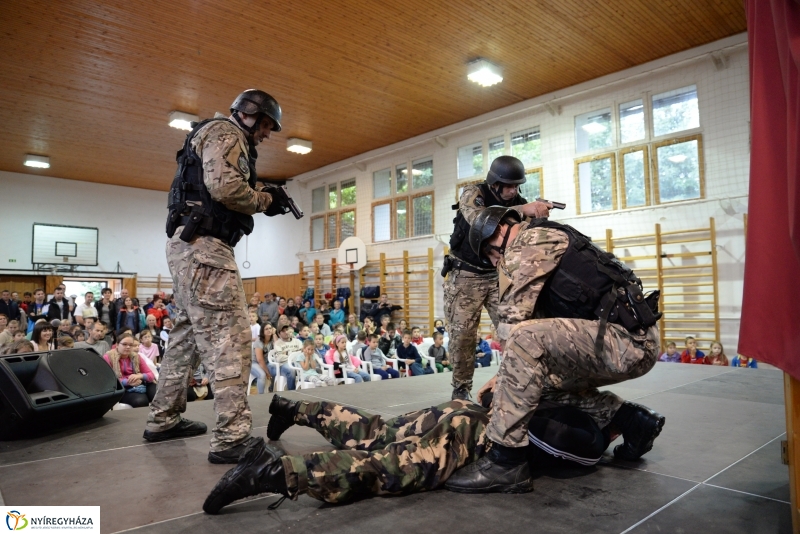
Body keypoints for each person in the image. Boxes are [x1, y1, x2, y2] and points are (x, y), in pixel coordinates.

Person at [445, 206, 663, 493]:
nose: (495, 261)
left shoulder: (528, 243)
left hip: (624, 342)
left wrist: (504, 377)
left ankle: (506, 461)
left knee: (523, 342)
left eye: (491, 254)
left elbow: (512, 323)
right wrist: (509, 379)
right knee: (534, 384)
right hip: (624, 341)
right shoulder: (547, 236)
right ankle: (629, 419)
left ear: (497, 233)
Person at [145, 89, 289, 464]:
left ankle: (163, 418)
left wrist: (259, 193)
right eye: (267, 125)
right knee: (232, 336)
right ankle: (231, 438)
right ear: (250, 115)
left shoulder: (214, 133)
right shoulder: (227, 133)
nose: (268, 134)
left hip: (189, 245)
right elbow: (225, 187)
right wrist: (264, 201)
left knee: (186, 336)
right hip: (205, 247)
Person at [203, 390, 635, 513]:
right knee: (388, 467)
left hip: (466, 408)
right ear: (615, 432)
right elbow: (561, 455)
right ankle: (275, 472)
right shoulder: (590, 443)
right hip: (473, 435)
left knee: (379, 430)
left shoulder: (578, 397)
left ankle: (295, 408)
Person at [443, 156, 552, 401]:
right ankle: (461, 389)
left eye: (516, 186)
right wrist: (523, 210)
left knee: (513, 332)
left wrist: (538, 215)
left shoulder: (519, 202)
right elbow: (480, 220)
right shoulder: (473, 194)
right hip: (465, 276)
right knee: (463, 337)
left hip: (498, 277)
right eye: (508, 186)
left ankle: (516, 382)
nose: (513, 191)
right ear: (494, 183)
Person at [104, 333, 156, 408]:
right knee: (140, 401)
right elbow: (108, 379)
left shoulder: (136, 357)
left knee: (159, 397)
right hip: (121, 388)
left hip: (140, 383)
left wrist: (140, 376)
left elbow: (151, 375)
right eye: (124, 344)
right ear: (117, 345)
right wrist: (128, 382)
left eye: (131, 345)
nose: (128, 347)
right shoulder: (108, 357)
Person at [271, 325, 302, 391]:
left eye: (287, 330)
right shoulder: (277, 344)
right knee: (291, 370)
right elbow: (279, 358)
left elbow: (302, 353)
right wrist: (293, 354)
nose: (286, 332)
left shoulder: (297, 341)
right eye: (283, 331)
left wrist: (287, 353)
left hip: (298, 362)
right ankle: (292, 392)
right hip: (284, 364)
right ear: (279, 334)